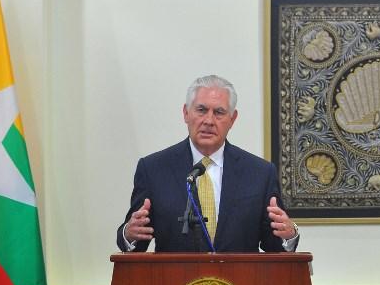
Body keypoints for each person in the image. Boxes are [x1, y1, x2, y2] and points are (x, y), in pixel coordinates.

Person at [117, 75, 299, 252]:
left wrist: (288, 235)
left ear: (232, 119)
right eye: (201, 110)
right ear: (186, 113)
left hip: (239, 281)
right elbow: (135, 241)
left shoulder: (260, 173)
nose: (209, 121)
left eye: (219, 112)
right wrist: (130, 234)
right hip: (176, 281)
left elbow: (274, 246)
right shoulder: (153, 170)